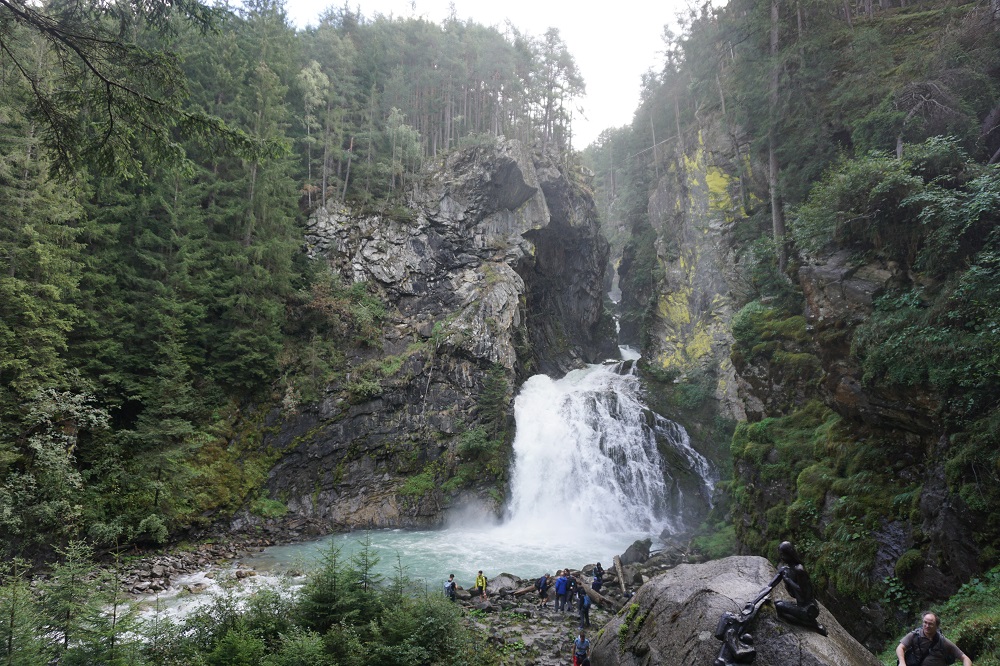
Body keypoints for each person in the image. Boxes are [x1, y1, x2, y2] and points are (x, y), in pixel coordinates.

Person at [769, 541, 827, 636]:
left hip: (809, 609)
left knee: (779, 607)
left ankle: (812, 624)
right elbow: (771, 585)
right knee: (777, 603)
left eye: (783, 555)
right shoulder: (785, 569)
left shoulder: (799, 570)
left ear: (789, 554)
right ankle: (806, 621)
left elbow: (802, 591)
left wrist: (788, 581)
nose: (781, 557)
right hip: (800, 605)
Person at [896, 612, 973, 666]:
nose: (927, 626)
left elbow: (964, 657)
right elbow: (900, 648)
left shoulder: (943, 641)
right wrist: (902, 663)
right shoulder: (914, 635)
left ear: (936, 626)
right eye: (925, 622)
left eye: (930, 624)